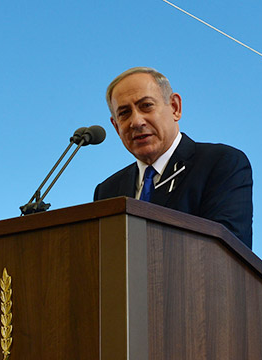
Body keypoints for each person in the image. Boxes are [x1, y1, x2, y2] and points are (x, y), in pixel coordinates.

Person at [93, 67, 253, 248]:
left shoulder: (221, 163)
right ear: (116, 127)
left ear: (175, 108)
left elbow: (229, 251)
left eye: (146, 106)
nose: (136, 122)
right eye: (124, 113)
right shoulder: (107, 191)